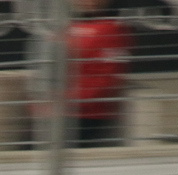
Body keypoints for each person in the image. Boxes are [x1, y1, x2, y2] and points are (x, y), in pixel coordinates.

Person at [23, 0, 132, 148]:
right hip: (53, 113)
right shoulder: (67, 27)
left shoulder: (113, 29)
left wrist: (60, 102)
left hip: (83, 117)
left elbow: (104, 82)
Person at [64, 0, 133, 147]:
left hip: (86, 115)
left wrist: (68, 101)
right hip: (59, 110)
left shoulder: (113, 29)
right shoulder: (69, 27)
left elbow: (106, 78)